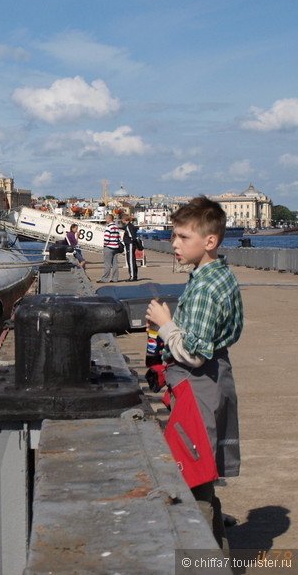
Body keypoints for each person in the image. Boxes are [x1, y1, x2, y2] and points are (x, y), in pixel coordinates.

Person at [145, 196, 243, 552]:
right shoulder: (223, 276)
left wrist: (166, 325)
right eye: (174, 236)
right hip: (217, 381)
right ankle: (219, 556)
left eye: (183, 237)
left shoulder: (203, 288)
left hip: (198, 387)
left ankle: (201, 560)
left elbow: (196, 354)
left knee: (193, 479)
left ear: (210, 241)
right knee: (203, 474)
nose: (174, 244)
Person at [98, 213, 120, 283]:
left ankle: (104, 279)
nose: (105, 220)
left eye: (106, 218)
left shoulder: (108, 227)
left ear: (109, 219)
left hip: (109, 247)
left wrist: (105, 245)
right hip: (115, 247)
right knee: (115, 264)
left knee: (107, 264)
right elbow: (118, 237)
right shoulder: (116, 227)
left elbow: (106, 238)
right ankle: (115, 278)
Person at [121, 214, 139, 281]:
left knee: (131, 260)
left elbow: (131, 236)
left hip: (130, 244)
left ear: (124, 220)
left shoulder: (128, 227)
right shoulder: (130, 226)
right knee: (132, 260)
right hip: (131, 244)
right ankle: (134, 275)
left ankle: (132, 276)